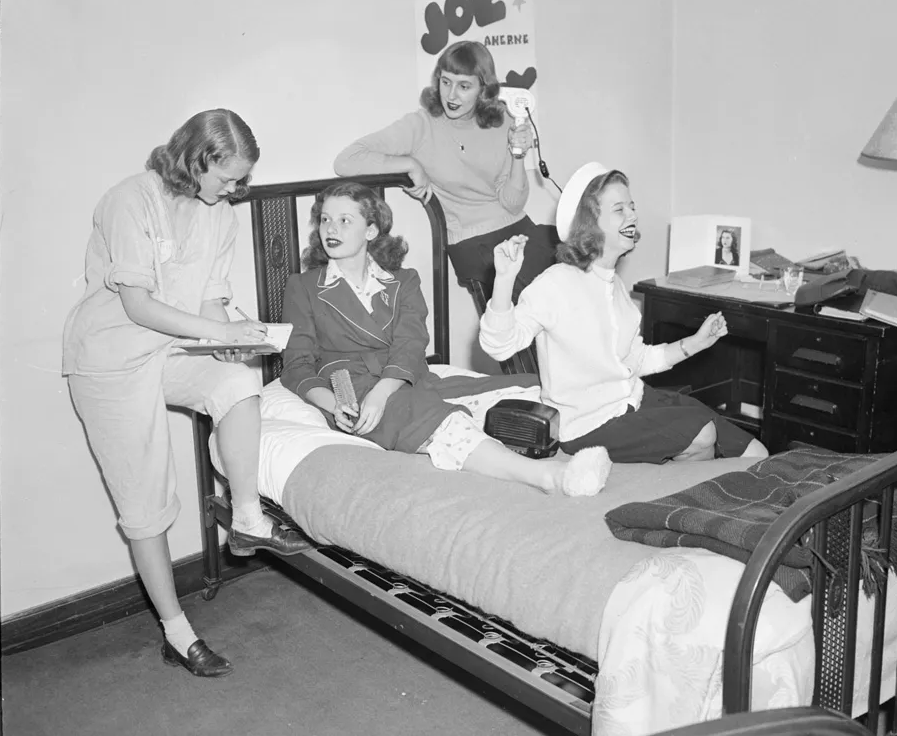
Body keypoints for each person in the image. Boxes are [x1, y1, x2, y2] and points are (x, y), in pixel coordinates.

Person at [62, 109, 311, 679]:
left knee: (239, 380)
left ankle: (247, 518)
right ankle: (177, 633)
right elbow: (138, 306)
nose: (235, 189)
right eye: (227, 177)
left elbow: (209, 302)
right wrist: (217, 333)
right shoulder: (130, 200)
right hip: (110, 358)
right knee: (145, 499)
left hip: (171, 351)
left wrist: (230, 340)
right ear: (197, 159)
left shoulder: (219, 213)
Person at [280, 180, 612, 496]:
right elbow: (296, 365)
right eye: (325, 219)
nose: (331, 229)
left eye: (344, 220)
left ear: (370, 230)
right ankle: (550, 476)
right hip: (354, 390)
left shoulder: (403, 281)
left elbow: (411, 344)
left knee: (534, 388)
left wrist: (384, 390)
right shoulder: (304, 287)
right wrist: (334, 404)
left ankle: (615, 424)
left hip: (404, 379)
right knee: (439, 420)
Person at [479, 162, 770, 464]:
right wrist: (504, 280)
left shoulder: (615, 287)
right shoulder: (556, 283)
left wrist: (695, 343)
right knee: (703, 435)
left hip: (634, 400)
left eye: (632, 207)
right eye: (619, 209)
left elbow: (636, 360)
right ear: (589, 223)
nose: (632, 215)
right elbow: (499, 345)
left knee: (755, 452)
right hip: (588, 425)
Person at [332, 40, 559, 308]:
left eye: (464, 86)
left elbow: (513, 204)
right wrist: (410, 165)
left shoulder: (504, 121)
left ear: (483, 89)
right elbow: (346, 161)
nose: (451, 95)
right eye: (446, 82)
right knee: (536, 301)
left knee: (571, 260)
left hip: (518, 230)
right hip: (472, 242)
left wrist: (518, 154)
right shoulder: (421, 125)